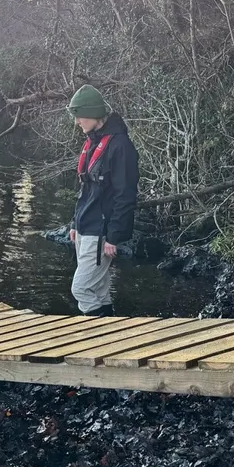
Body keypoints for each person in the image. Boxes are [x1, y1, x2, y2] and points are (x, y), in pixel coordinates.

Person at [65, 84, 138, 316]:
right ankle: (111, 336)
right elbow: (86, 189)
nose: (77, 122)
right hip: (86, 226)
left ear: (94, 114)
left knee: (81, 289)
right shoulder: (94, 141)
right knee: (99, 290)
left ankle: (93, 339)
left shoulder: (121, 146)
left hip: (101, 231)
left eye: (80, 116)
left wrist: (114, 237)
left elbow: (125, 195)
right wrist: (75, 223)